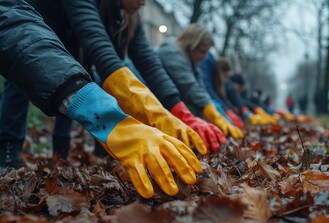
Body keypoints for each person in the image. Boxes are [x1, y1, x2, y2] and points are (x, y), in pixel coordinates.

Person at [0, 0, 203, 199]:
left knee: (73, 88)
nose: (143, 3)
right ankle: (8, 156)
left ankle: (59, 157)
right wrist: (115, 120)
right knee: (22, 85)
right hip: (38, 32)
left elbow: (147, 59)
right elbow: (96, 41)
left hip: (70, 49)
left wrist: (174, 109)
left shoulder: (127, 17)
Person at [157, 23, 243, 139]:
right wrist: (214, 114)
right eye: (203, 51)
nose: (205, 57)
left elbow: (201, 88)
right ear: (192, 45)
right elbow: (192, 88)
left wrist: (217, 111)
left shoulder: (190, 60)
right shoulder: (172, 53)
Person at [199, 53, 244, 129]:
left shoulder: (218, 87)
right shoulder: (211, 83)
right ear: (220, 72)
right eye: (225, 76)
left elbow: (224, 100)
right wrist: (226, 111)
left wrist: (228, 110)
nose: (225, 80)